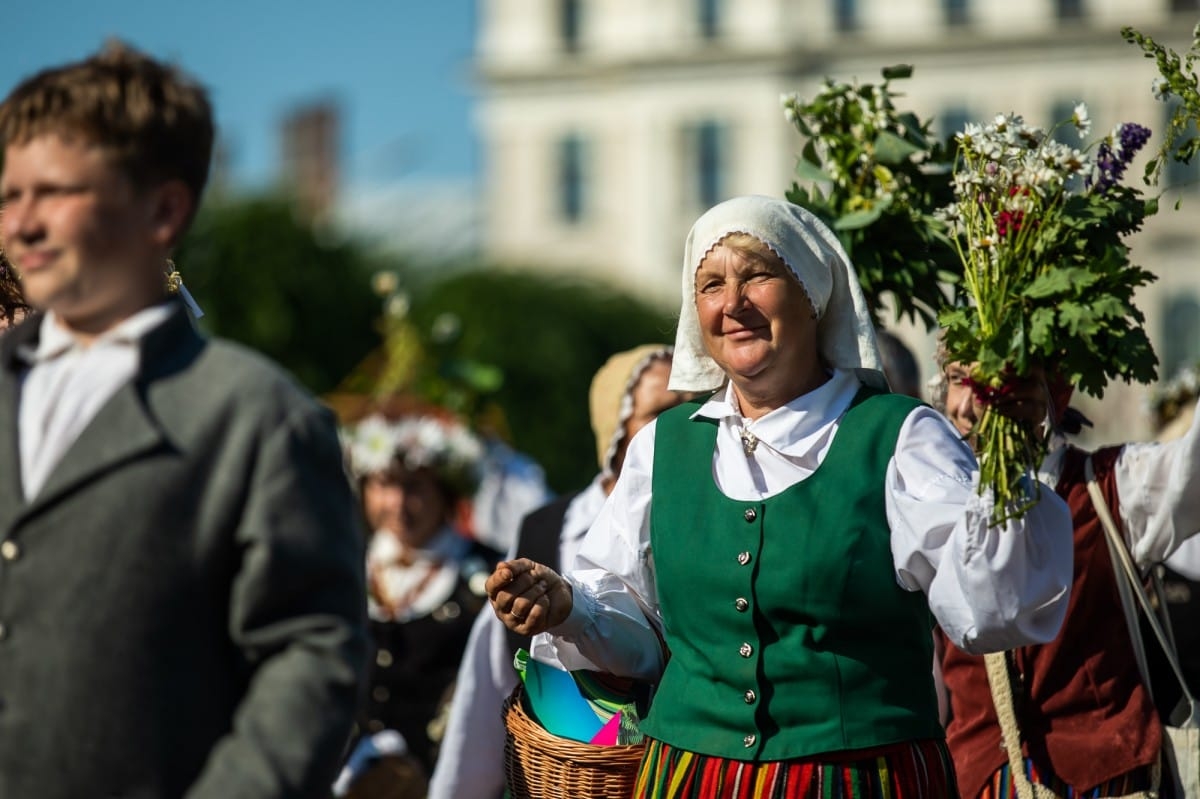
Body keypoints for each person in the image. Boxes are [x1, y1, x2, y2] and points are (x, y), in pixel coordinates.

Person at [485, 195, 1075, 798]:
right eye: (711, 285)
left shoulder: (901, 436)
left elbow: (987, 609)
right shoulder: (662, 447)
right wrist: (569, 607)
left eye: (758, 275)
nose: (733, 303)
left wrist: (1006, 473)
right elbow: (639, 628)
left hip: (857, 782)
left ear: (812, 295)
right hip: (689, 780)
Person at [0, 42, 368, 798]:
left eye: (58, 192)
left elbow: (310, 659)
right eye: (10, 195)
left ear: (163, 209)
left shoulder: (254, 415)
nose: (23, 223)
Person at [933, 351, 1200, 799]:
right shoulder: (931, 504)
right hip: (980, 783)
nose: (973, 404)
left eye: (1005, 381)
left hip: (1103, 782)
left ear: (1051, 391)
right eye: (959, 379)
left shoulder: (1110, 485)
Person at [428, 344, 690, 799]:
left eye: (690, 410)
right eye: (659, 413)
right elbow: (489, 682)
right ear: (615, 427)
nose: (679, 428)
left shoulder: (705, 522)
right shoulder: (547, 529)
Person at [338, 406, 502, 788]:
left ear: (444, 491)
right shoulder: (342, 565)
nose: (396, 503)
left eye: (413, 487)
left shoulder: (487, 571)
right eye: (383, 484)